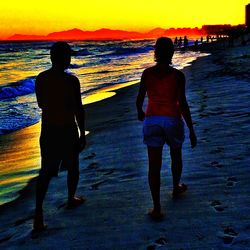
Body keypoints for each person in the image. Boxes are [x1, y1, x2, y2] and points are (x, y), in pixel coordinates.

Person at [136, 37, 197, 219]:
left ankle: (156, 207)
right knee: (175, 154)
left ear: (155, 52)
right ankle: (176, 186)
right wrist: (191, 130)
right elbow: (183, 104)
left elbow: (139, 99)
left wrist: (140, 112)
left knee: (154, 166)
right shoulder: (178, 76)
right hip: (172, 119)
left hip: (152, 119)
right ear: (172, 52)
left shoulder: (147, 73)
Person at [33, 42, 86, 231]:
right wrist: (82, 132)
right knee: (73, 166)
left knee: (45, 172)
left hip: (48, 130)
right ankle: (71, 198)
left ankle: (38, 213)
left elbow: (40, 104)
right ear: (66, 59)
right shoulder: (72, 81)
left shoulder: (41, 78)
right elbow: (78, 108)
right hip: (66, 129)